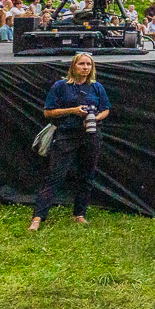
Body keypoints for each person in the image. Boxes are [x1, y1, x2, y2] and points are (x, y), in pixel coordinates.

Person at [32, 52, 111, 232]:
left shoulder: (96, 87)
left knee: (87, 176)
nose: (85, 67)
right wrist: (73, 110)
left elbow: (106, 109)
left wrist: (94, 118)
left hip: (91, 136)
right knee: (55, 176)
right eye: (81, 64)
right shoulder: (61, 86)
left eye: (88, 64)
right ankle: (38, 217)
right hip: (66, 135)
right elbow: (48, 112)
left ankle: (79, 214)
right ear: (73, 66)